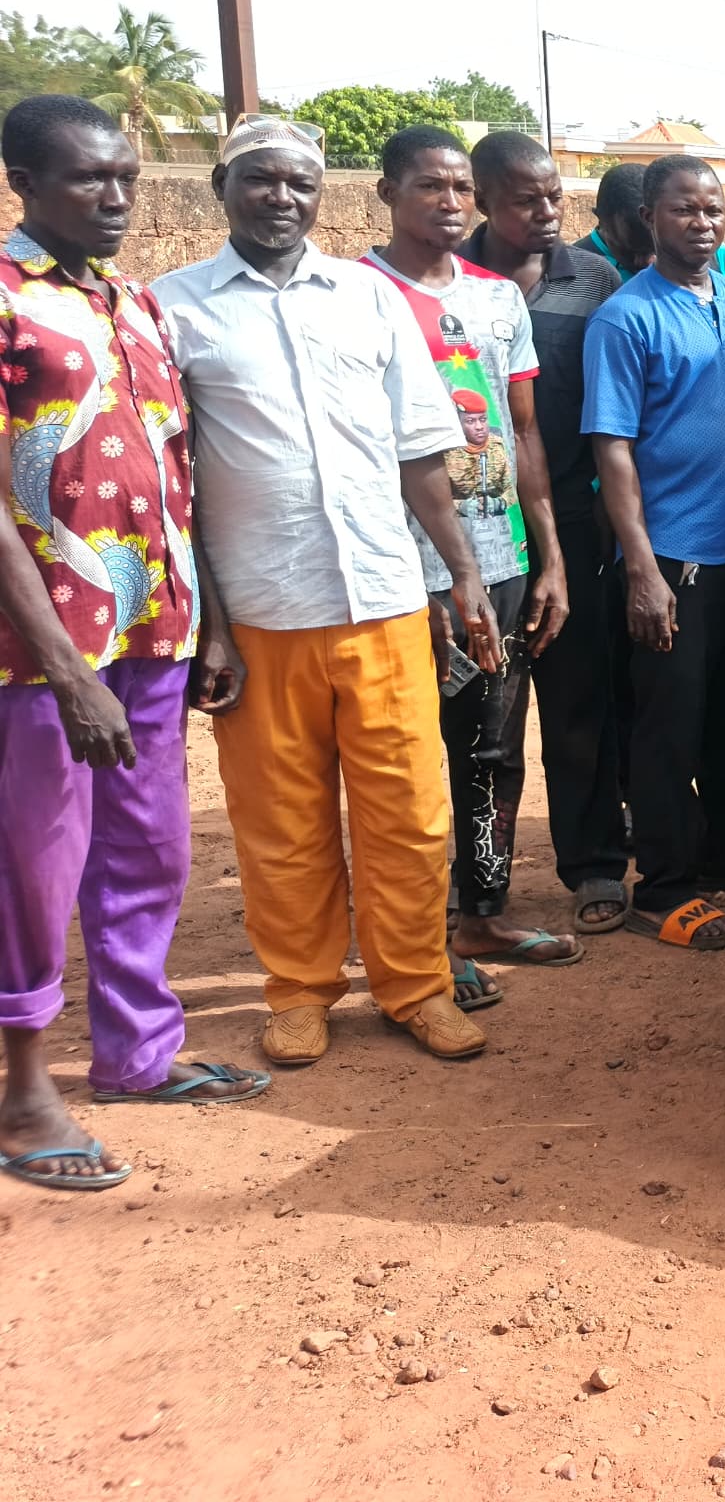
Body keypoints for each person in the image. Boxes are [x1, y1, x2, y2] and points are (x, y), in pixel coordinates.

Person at [158, 117, 501, 1066]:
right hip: (263, 612)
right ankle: (300, 990)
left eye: (299, 184)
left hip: (385, 598)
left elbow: (420, 450)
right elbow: (174, 486)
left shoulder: (369, 298)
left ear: (321, 195)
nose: (281, 198)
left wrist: (462, 574)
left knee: (409, 808)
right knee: (281, 819)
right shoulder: (173, 310)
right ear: (221, 186)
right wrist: (211, 631)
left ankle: (415, 985)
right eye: (261, 181)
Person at [0, 98, 266, 1191]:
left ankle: (137, 1054)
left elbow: (172, 465)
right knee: (34, 866)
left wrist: (203, 620)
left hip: (153, 627)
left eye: (125, 178)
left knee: (147, 850)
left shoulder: (132, 303)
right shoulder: (9, 303)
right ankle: (23, 1095)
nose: (114, 199)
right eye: (86, 180)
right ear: (20, 178)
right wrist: (64, 668)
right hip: (39, 650)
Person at [362, 128, 578, 979]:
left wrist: (549, 557)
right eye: (429, 187)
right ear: (386, 192)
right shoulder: (355, 293)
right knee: (404, 752)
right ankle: (408, 932)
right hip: (394, 567)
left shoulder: (498, 301)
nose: (448, 203)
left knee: (491, 744)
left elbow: (525, 434)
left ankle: (481, 914)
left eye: (459, 188)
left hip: (500, 557)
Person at [583, 155, 725, 952]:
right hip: (675, 558)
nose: (701, 224)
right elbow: (612, 447)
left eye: (712, 210)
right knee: (670, 727)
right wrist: (641, 568)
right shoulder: (626, 319)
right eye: (683, 210)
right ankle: (663, 886)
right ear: (648, 216)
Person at [464, 131, 633, 936]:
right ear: (481, 198)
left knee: (578, 709)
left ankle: (594, 864)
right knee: (483, 725)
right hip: (470, 532)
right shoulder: (444, 282)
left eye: (555, 197)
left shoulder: (595, 282)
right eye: (526, 199)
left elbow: (613, 416)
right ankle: (482, 884)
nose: (546, 213)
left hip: (569, 523)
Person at [584, 160, 725, 288]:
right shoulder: (576, 273)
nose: (648, 262)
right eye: (633, 252)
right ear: (601, 220)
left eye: (654, 247)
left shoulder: (718, 256)